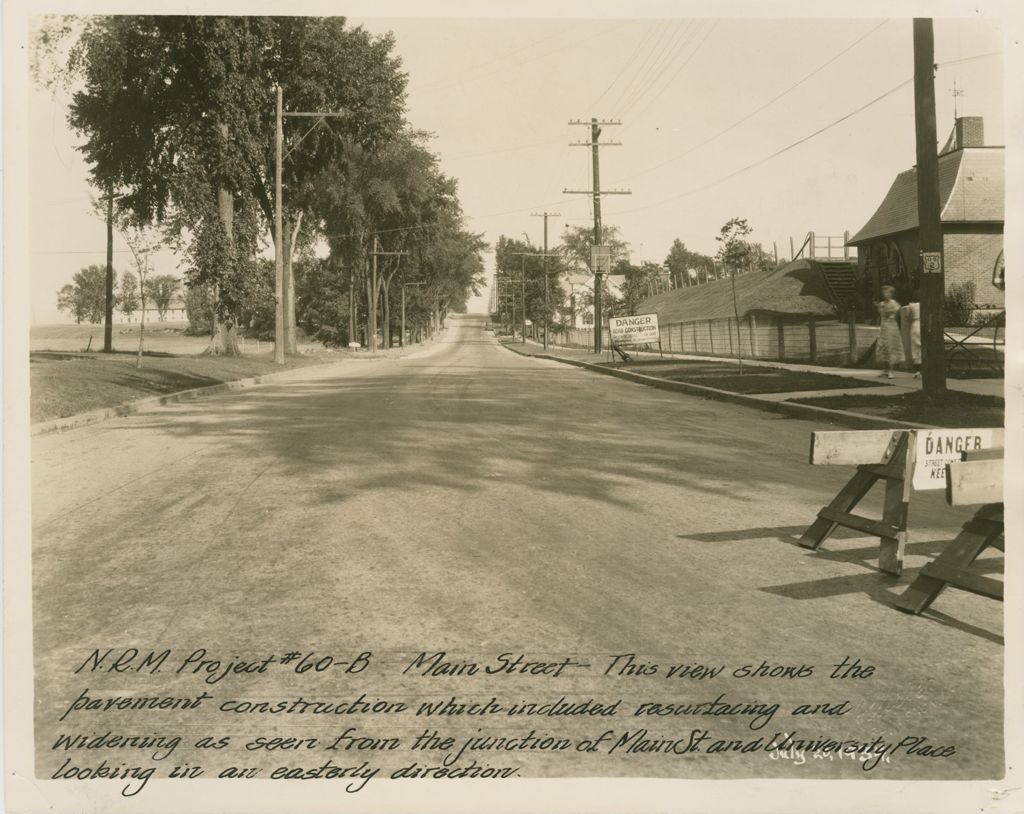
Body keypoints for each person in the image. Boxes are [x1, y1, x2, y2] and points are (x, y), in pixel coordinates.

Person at [876, 285, 904, 378]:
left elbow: (895, 314)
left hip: (891, 327)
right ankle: (885, 369)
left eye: (887, 292)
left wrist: (888, 314)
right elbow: (881, 315)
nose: (885, 294)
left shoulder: (894, 304)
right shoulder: (881, 304)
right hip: (883, 326)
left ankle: (891, 370)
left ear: (891, 294)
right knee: (883, 347)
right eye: (884, 292)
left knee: (891, 347)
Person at [899, 291, 922, 377]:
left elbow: (908, 317)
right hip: (922, 324)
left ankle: (917, 370)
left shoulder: (911, 306)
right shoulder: (924, 305)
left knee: (915, 347)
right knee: (922, 346)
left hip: (915, 325)